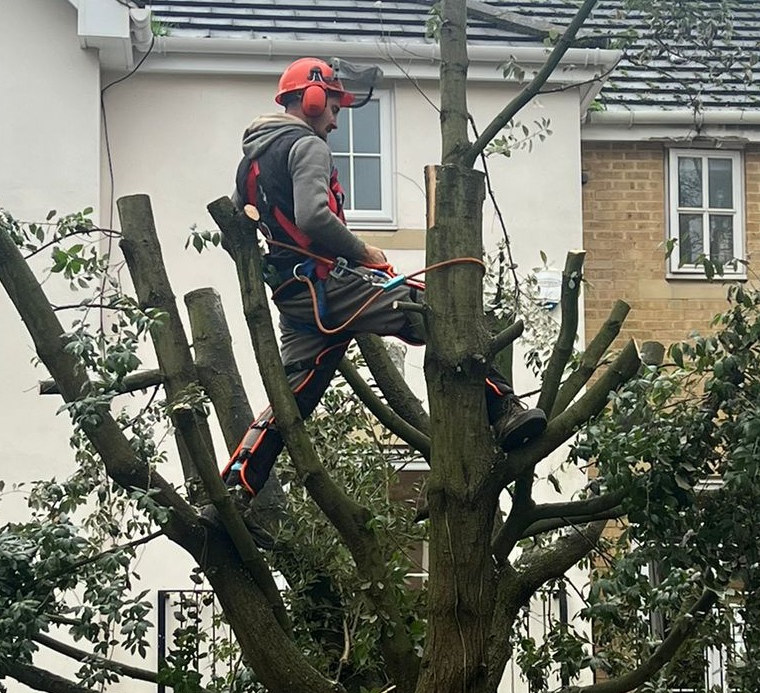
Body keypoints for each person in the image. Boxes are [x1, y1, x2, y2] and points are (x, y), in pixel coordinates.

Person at [216, 58, 547, 542]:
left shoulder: (251, 161)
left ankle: (231, 495)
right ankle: (505, 409)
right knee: (434, 310)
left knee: (293, 397)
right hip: (330, 284)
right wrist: (365, 251)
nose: (335, 120)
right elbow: (312, 217)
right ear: (309, 98)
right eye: (332, 106)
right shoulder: (306, 145)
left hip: (295, 295)